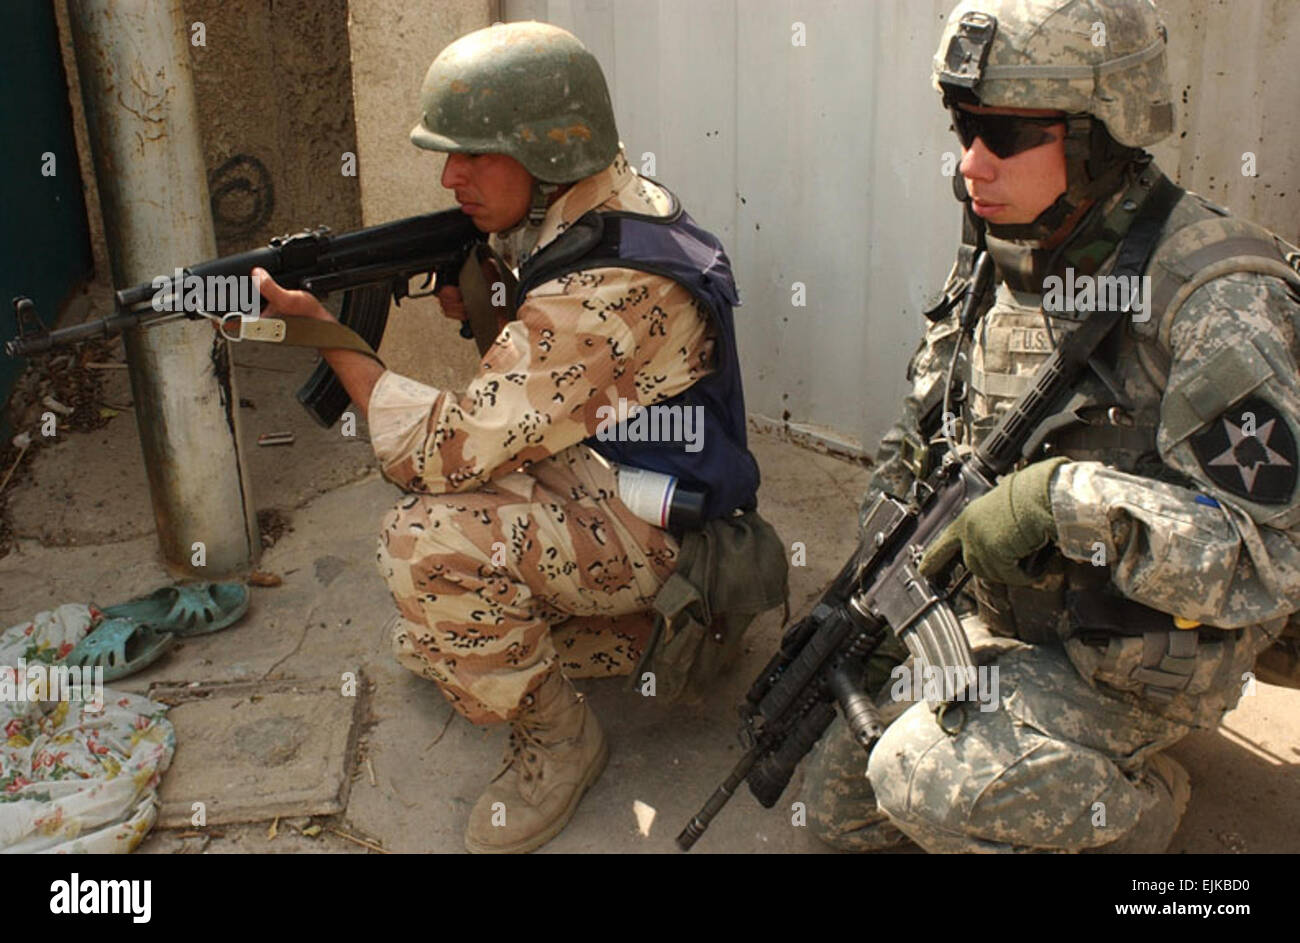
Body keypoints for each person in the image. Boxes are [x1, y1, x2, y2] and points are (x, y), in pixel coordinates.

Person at [251, 20, 768, 853]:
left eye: (475, 154)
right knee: (435, 635)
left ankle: (563, 742)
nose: (450, 176)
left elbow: (440, 449)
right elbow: (560, 383)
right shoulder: (601, 203)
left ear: (547, 149)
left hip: (668, 523)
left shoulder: (606, 283)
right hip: (621, 469)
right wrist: (492, 305)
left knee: (426, 545)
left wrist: (320, 334)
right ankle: (637, 634)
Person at [802, 0, 1300, 853]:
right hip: (1017, 617)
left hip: (1141, 649)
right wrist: (886, 580)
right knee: (841, 808)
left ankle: (1143, 809)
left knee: (922, 779)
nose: (970, 164)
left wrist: (1062, 502)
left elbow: (1270, 565)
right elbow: (919, 439)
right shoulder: (1007, 252)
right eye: (963, 126)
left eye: (1003, 134)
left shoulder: (1215, 297)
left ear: (1097, 136)